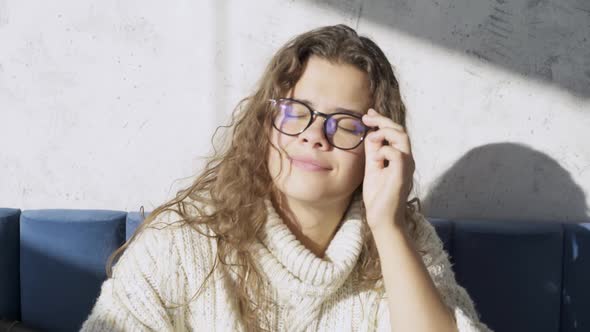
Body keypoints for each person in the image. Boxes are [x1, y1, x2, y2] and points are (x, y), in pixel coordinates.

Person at [80, 24, 492, 332]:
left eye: (345, 123)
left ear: (377, 144)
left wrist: (387, 226)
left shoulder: (404, 241)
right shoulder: (184, 239)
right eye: (297, 112)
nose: (315, 135)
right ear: (265, 124)